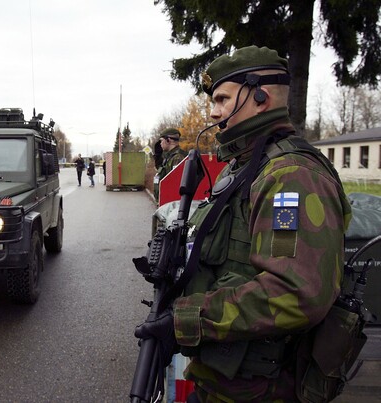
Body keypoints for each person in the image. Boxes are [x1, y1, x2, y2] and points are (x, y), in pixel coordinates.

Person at [135, 46, 352, 402]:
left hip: (261, 389)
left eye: (222, 99)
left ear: (260, 96)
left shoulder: (291, 176)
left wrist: (186, 322)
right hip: (225, 380)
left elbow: (294, 292)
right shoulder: (247, 168)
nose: (214, 111)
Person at [153, 128, 186, 201]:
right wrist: (158, 156)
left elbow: (176, 183)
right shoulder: (169, 156)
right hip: (166, 201)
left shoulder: (178, 157)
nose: (160, 143)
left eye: (161, 141)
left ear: (168, 140)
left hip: (172, 203)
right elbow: (162, 172)